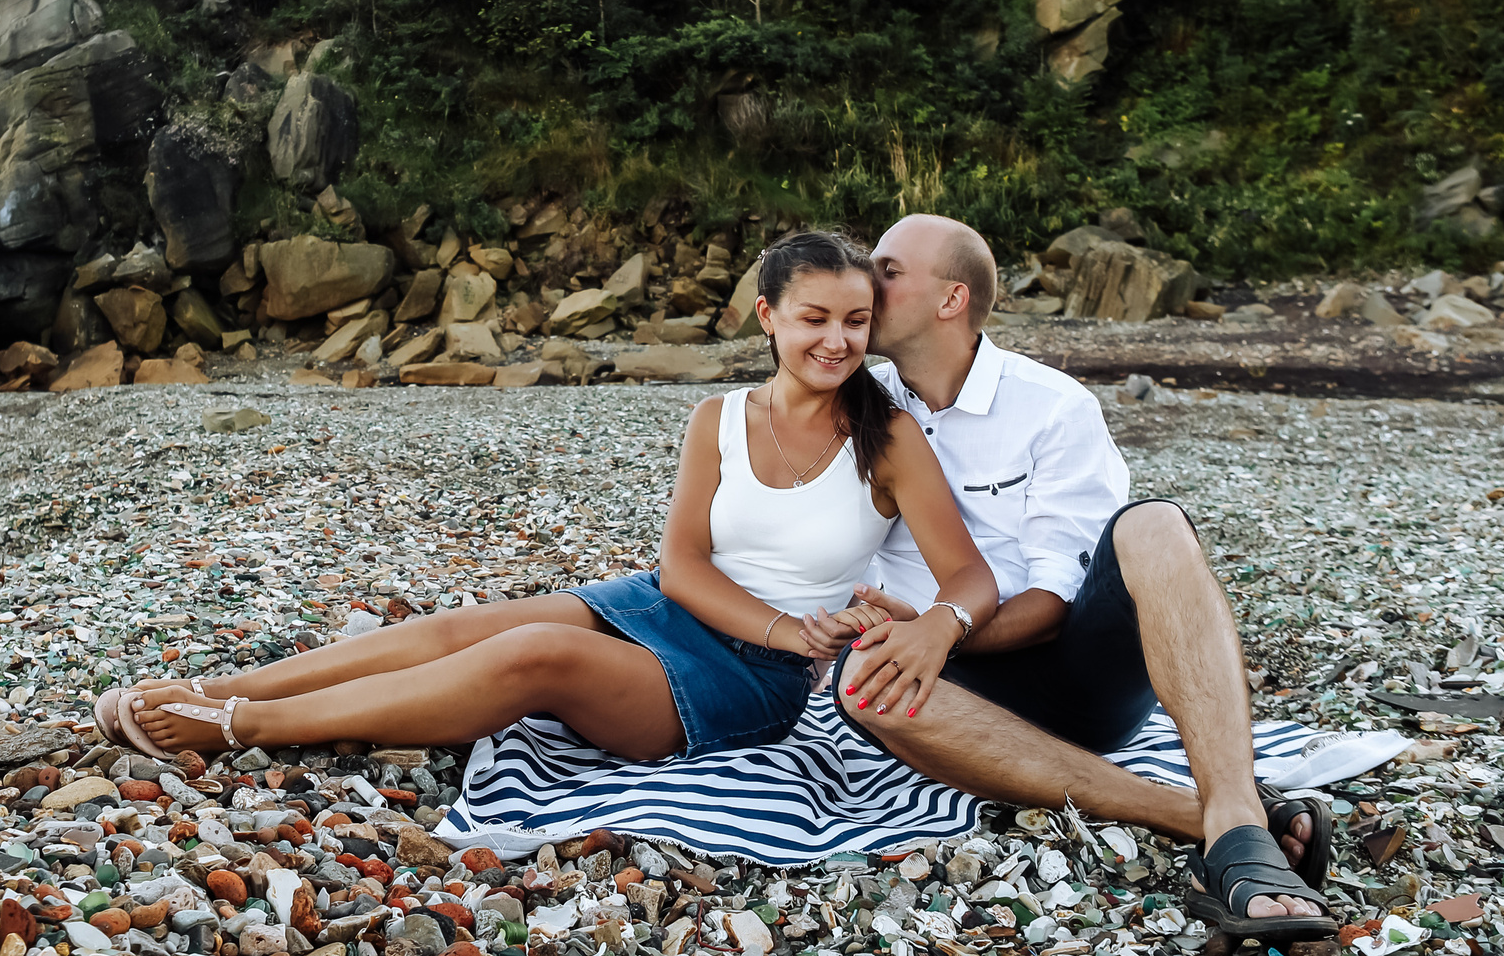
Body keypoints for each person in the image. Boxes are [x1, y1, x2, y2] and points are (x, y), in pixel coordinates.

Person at [94, 231, 1000, 765]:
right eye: (815, 318)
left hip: (748, 679)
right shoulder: (718, 418)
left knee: (533, 653)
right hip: (671, 606)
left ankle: (246, 724)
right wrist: (781, 623)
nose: (838, 341)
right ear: (767, 316)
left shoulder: (889, 438)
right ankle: (218, 684)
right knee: (466, 625)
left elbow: (969, 576)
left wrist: (933, 625)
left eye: (854, 321)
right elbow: (681, 565)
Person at [829, 214, 1337, 944]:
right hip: (956, 693)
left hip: (1075, 671)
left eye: (887, 268)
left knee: (1154, 523)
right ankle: (1210, 817)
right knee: (860, 676)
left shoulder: (1052, 404)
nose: (864, 280)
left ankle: (1230, 811)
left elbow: (1049, 599)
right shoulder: (862, 405)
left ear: (950, 298)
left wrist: (940, 627)